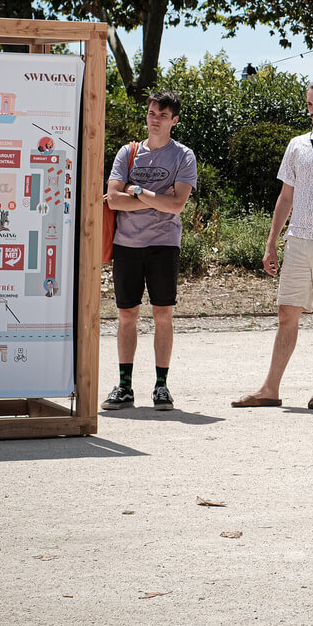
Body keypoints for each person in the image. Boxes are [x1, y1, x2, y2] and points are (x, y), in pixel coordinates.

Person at [232, 79, 313, 410]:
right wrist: (271, 242)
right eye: (309, 105)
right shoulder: (297, 145)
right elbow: (285, 196)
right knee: (286, 314)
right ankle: (270, 389)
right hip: (297, 240)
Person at [101, 90, 196, 411]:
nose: (155, 120)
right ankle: (125, 386)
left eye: (163, 116)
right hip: (126, 244)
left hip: (164, 244)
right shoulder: (127, 153)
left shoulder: (183, 156)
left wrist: (137, 190)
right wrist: (158, 197)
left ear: (174, 121)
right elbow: (114, 200)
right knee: (127, 314)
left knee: (162, 314)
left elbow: (177, 205)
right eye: (152, 113)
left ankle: (161, 386)